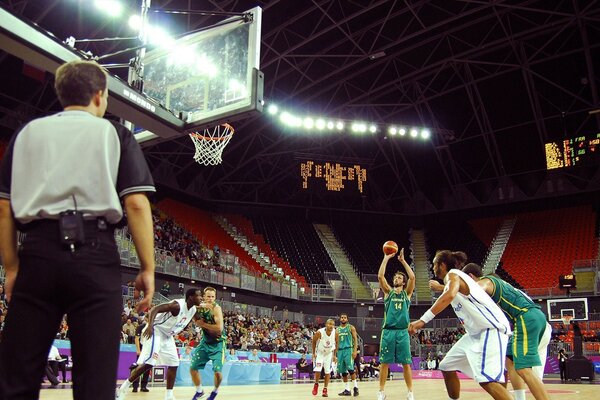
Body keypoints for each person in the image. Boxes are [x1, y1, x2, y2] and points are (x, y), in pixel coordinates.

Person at [0, 59, 155, 400]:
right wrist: (147, 267)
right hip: (95, 255)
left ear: (61, 94)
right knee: (95, 383)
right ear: (100, 96)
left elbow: (4, 209)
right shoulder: (115, 133)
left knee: (16, 379)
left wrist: (12, 268)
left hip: (37, 251)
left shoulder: (27, 133)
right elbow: (137, 204)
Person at [408, 250, 513, 400]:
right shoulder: (452, 281)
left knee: (487, 380)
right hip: (474, 334)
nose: (432, 268)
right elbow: (450, 291)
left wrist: (422, 320)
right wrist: (439, 287)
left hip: (490, 329)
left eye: (434, 264)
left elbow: (449, 294)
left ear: (442, 265)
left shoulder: (453, 274)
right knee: (446, 366)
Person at [461, 263, 552, 400]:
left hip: (527, 319)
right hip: (539, 322)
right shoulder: (508, 288)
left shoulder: (487, 281)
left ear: (471, 277)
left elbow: (476, 289)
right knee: (510, 359)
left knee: (524, 369)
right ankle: (519, 397)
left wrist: (446, 287)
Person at [117, 288, 202, 400]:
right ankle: (123, 388)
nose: (201, 298)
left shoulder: (193, 310)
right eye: (199, 296)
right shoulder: (177, 305)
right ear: (191, 297)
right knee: (150, 362)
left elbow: (200, 321)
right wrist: (150, 325)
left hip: (167, 335)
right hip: (155, 330)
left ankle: (169, 396)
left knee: (174, 363)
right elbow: (154, 309)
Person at [377, 247, 415, 400]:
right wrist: (386, 258)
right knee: (384, 363)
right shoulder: (388, 293)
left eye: (399, 278)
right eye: (395, 278)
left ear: (403, 282)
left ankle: (410, 392)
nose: (396, 279)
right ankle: (381, 391)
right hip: (388, 332)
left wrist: (403, 261)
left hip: (402, 332)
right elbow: (380, 276)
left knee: (406, 364)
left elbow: (412, 278)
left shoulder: (407, 294)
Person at [189, 287, 226, 400]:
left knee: (217, 372)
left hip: (218, 343)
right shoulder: (199, 307)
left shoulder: (217, 308)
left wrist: (202, 324)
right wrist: (196, 320)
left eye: (212, 297)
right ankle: (199, 391)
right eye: (208, 296)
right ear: (204, 297)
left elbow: (219, 328)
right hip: (205, 342)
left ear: (215, 298)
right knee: (193, 368)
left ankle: (215, 391)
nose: (210, 299)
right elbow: (193, 315)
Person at [311, 319, 337, 397]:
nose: (331, 326)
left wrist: (335, 355)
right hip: (320, 353)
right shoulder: (319, 332)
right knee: (318, 369)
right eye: (329, 324)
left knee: (327, 371)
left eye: (332, 324)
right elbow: (313, 342)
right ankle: (316, 384)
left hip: (329, 353)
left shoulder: (336, 333)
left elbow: (337, 343)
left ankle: (325, 389)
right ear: (326, 324)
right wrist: (313, 353)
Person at [336, 313, 359, 396]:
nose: (343, 319)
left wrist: (355, 350)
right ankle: (347, 389)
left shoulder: (351, 327)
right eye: (341, 317)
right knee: (343, 372)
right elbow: (336, 342)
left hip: (348, 349)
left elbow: (356, 340)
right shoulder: (337, 329)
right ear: (340, 319)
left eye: (344, 318)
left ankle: (356, 388)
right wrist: (335, 354)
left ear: (347, 319)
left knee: (351, 370)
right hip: (340, 351)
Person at [131, 314, 151, 393]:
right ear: (145, 318)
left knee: (147, 367)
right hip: (142, 348)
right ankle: (135, 386)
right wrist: (138, 350)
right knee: (138, 367)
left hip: (149, 349)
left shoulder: (153, 328)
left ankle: (143, 386)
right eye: (148, 317)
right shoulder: (140, 327)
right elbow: (136, 338)